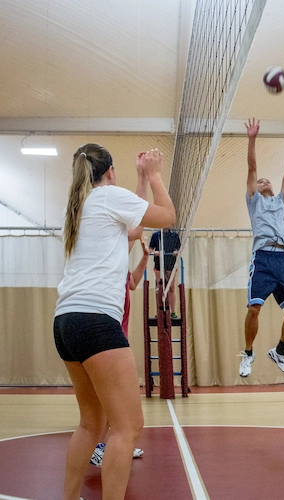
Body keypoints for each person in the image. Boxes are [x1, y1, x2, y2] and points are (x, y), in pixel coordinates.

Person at [54, 144, 175, 500]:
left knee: (91, 423)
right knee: (128, 426)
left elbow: (131, 230)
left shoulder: (78, 207)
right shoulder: (108, 198)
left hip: (66, 322)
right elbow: (166, 216)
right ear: (109, 173)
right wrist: (153, 175)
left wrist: (138, 179)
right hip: (95, 322)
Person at [238, 118, 284, 378]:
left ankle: (280, 350)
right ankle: (248, 353)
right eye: (260, 181)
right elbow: (252, 166)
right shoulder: (254, 202)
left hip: (282, 258)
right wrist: (252, 139)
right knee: (254, 308)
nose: (263, 180)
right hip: (263, 257)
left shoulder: (281, 201)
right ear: (254, 189)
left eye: (267, 180)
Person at [90, 236, 150, 467]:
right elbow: (128, 235)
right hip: (106, 337)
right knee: (107, 402)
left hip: (117, 335)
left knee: (115, 402)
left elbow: (133, 282)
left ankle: (113, 444)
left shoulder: (119, 268)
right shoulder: (106, 264)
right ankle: (98, 448)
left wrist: (145, 257)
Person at [149, 228, 181, 320]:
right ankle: (159, 311)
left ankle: (173, 311)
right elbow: (150, 249)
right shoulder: (156, 235)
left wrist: (176, 252)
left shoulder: (174, 236)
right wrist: (155, 252)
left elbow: (179, 249)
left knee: (171, 287)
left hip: (171, 263)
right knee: (159, 288)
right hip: (159, 263)